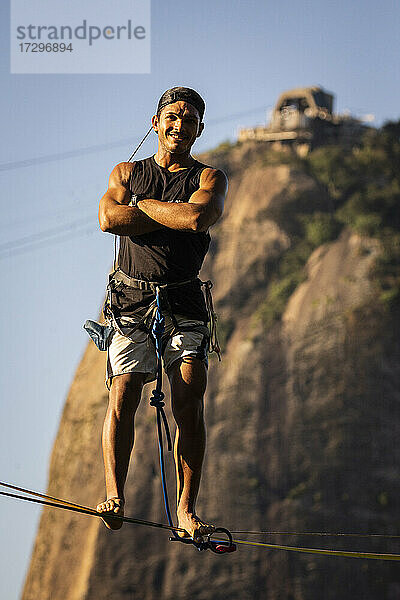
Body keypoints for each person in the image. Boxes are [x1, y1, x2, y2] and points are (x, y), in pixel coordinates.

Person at [96, 87, 228, 541]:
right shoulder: (127, 171)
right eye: (172, 117)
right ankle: (114, 494)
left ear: (199, 130)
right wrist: (169, 213)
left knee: (188, 400)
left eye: (190, 120)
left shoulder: (210, 177)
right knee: (124, 393)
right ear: (155, 123)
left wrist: (145, 208)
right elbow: (109, 219)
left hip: (184, 303)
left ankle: (187, 510)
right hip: (131, 302)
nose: (180, 125)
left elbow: (197, 220)